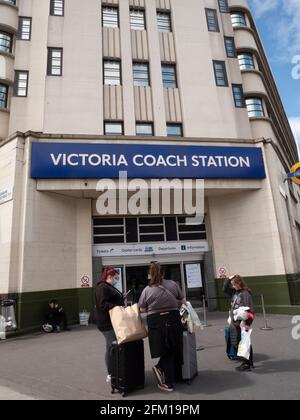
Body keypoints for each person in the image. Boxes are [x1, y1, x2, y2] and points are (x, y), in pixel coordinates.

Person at [138, 262, 186, 392]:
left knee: (165, 350)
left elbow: (142, 308)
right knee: (172, 348)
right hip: (173, 318)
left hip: (155, 322)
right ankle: (165, 374)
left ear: (150, 274)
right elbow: (182, 300)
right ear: (163, 273)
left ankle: (165, 376)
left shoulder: (147, 290)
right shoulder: (173, 284)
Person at [95, 267, 129, 383]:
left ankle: (113, 371)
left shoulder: (108, 287)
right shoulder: (102, 287)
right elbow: (103, 304)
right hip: (106, 323)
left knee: (110, 347)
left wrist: (121, 298)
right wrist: (117, 306)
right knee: (112, 347)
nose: (116, 279)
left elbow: (111, 300)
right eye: (115, 276)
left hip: (111, 322)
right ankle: (111, 373)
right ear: (109, 276)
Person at [223, 274, 255, 372]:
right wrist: (228, 279)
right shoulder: (235, 292)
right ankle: (248, 362)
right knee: (240, 342)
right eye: (232, 284)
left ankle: (248, 363)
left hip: (243, 322)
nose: (232, 286)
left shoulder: (245, 294)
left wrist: (248, 323)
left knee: (244, 342)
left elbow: (250, 310)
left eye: (234, 284)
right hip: (235, 322)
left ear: (239, 283)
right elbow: (224, 289)